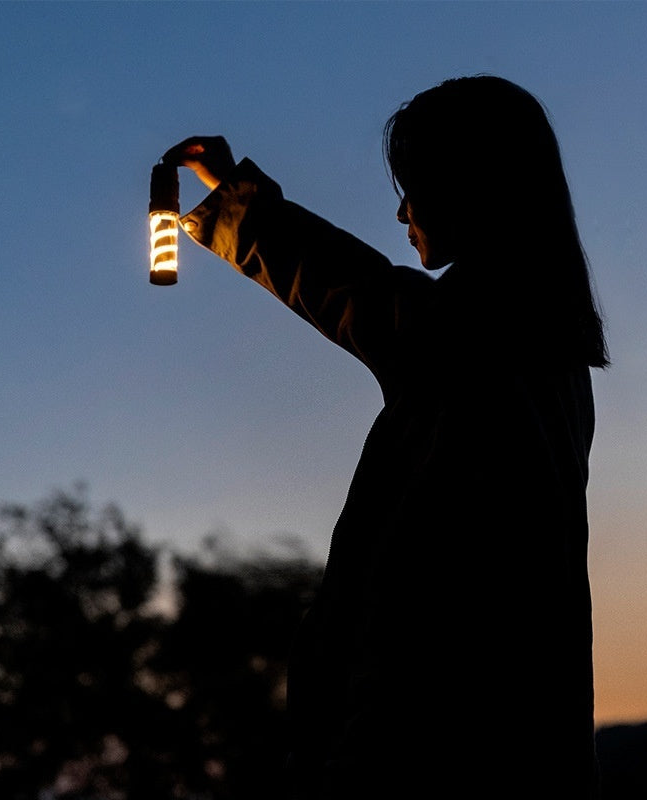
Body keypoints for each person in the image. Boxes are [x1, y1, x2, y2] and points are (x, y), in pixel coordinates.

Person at [162, 75, 609, 799]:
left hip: (430, 753)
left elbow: (354, 292)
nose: (400, 209)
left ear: (472, 188)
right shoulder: (544, 351)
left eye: (414, 185)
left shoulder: (472, 337)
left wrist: (241, 206)